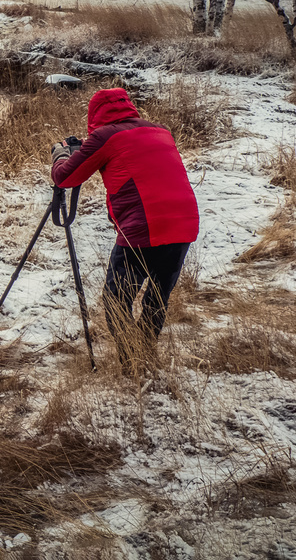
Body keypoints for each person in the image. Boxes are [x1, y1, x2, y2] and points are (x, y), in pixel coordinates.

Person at [50, 88, 199, 367]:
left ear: (94, 115)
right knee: (157, 297)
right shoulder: (160, 131)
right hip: (184, 223)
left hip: (144, 226)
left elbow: (65, 177)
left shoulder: (104, 137)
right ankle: (144, 358)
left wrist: (60, 154)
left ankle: (133, 362)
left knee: (116, 300)